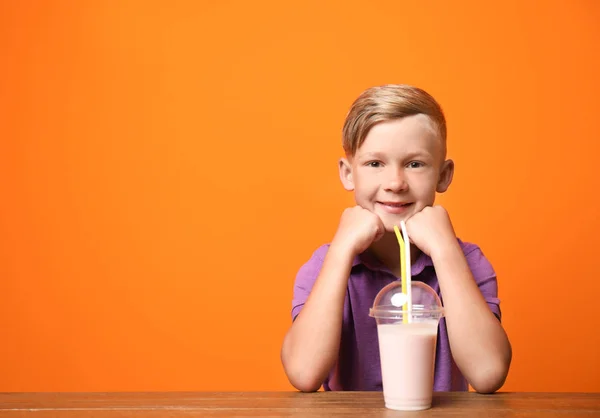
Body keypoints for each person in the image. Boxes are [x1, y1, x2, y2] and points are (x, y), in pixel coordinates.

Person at [280, 84, 512, 394]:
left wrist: (444, 251)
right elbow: (303, 372)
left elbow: (488, 373)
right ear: (348, 174)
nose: (395, 183)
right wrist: (341, 253)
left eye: (415, 164)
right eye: (375, 164)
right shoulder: (327, 264)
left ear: (443, 175)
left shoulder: (466, 262)